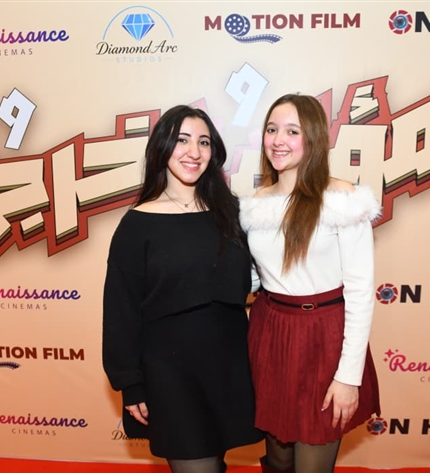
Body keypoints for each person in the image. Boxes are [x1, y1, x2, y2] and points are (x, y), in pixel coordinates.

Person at [102, 105, 263, 473]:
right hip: (170, 374)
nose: (194, 151)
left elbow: (259, 276)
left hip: (230, 365)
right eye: (182, 140)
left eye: (204, 142)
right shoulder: (136, 225)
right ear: (162, 147)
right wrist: (130, 383)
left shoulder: (233, 212)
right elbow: (121, 310)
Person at [239, 94, 381, 473]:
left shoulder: (342, 199)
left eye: (292, 131)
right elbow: (257, 275)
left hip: (325, 337)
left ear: (314, 138)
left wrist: (348, 377)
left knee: (312, 462)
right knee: (277, 460)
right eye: (272, 129)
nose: (278, 140)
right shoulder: (256, 203)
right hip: (270, 332)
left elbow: (360, 292)